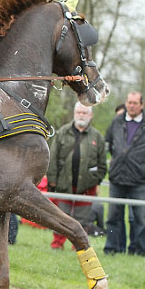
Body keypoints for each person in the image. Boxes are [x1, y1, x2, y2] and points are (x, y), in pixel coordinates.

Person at [46, 102, 107, 249]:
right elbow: (52, 158)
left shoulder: (97, 137)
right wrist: (53, 180)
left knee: (83, 218)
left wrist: (93, 181)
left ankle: (78, 246)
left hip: (87, 186)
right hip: (63, 184)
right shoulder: (62, 133)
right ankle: (57, 244)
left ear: (90, 115)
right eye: (79, 112)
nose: (81, 115)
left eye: (84, 113)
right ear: (74, 113)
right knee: (61, 216)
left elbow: (102, 165)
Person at [103, 92, 145, 256]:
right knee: (113, 217)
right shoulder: (117, 122)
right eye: (129, 102)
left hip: (141, 180)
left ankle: (139, 251)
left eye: (135, 103)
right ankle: (112, 248)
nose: (131, 105)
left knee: (141, 219)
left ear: (142, 105)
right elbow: (111, 144)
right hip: (118, 177)